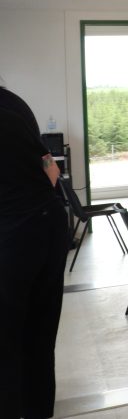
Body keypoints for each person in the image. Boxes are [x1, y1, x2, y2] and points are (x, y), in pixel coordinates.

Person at [0, 85, 66, 419]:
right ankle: (37, 409)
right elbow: (51, 170)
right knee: (39, 332)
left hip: (14, 234)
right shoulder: (14, 103)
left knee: (6, 338)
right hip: (48, 223)